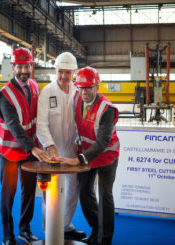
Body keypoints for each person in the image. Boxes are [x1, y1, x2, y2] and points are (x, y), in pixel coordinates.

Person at [0, 47, 50, 245]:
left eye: (27, 66)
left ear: (31, 66)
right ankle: (7, 236)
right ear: (13, 68)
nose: (24, 70)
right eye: (20, 66)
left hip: (30, 150)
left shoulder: (35, 86)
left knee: (29, 191)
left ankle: (25, 229)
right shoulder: (4, 95)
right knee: (8, 193)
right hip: (10, 151)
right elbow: (15, 126)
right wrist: (33, 148)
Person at [57, 66, 120, 245]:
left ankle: (105, 239)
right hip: (87, 155)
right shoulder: (77, 99)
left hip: (107, 157)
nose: (84, 92)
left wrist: (78, 160)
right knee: (85, 193)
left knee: (105, 194)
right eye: (81, 87)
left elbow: (102, 142)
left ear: (97, 87)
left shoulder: (107, 109)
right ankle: (96, 229)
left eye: (88, 88)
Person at [36, 52, 86, 240]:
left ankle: (66, 225)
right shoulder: (47, 92)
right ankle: (49, 228)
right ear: (55, 70)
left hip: (71, 149)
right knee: (50, 191)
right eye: (61, 72)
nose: (64, 76)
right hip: (53, 151)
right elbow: (41, 123)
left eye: (68, 72)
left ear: (74, 72)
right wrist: (49, 145)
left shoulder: (77, 91)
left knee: (73, 189)